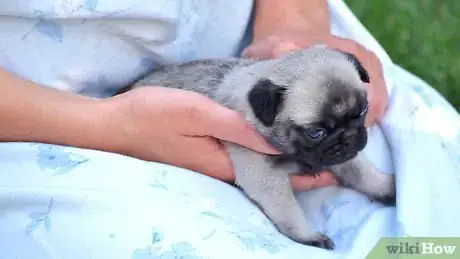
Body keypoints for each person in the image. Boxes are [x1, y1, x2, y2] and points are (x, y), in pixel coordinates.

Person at [1, 0, 459, 258]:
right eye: (319, 132)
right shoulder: (261, 112)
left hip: (258, 36)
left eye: (353, 115)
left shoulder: (315, 91)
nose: (346, 136)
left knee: (434, 203)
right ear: (265, 110)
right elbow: (265, 179)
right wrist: (107, 126)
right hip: (45, 124)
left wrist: (295, 25)